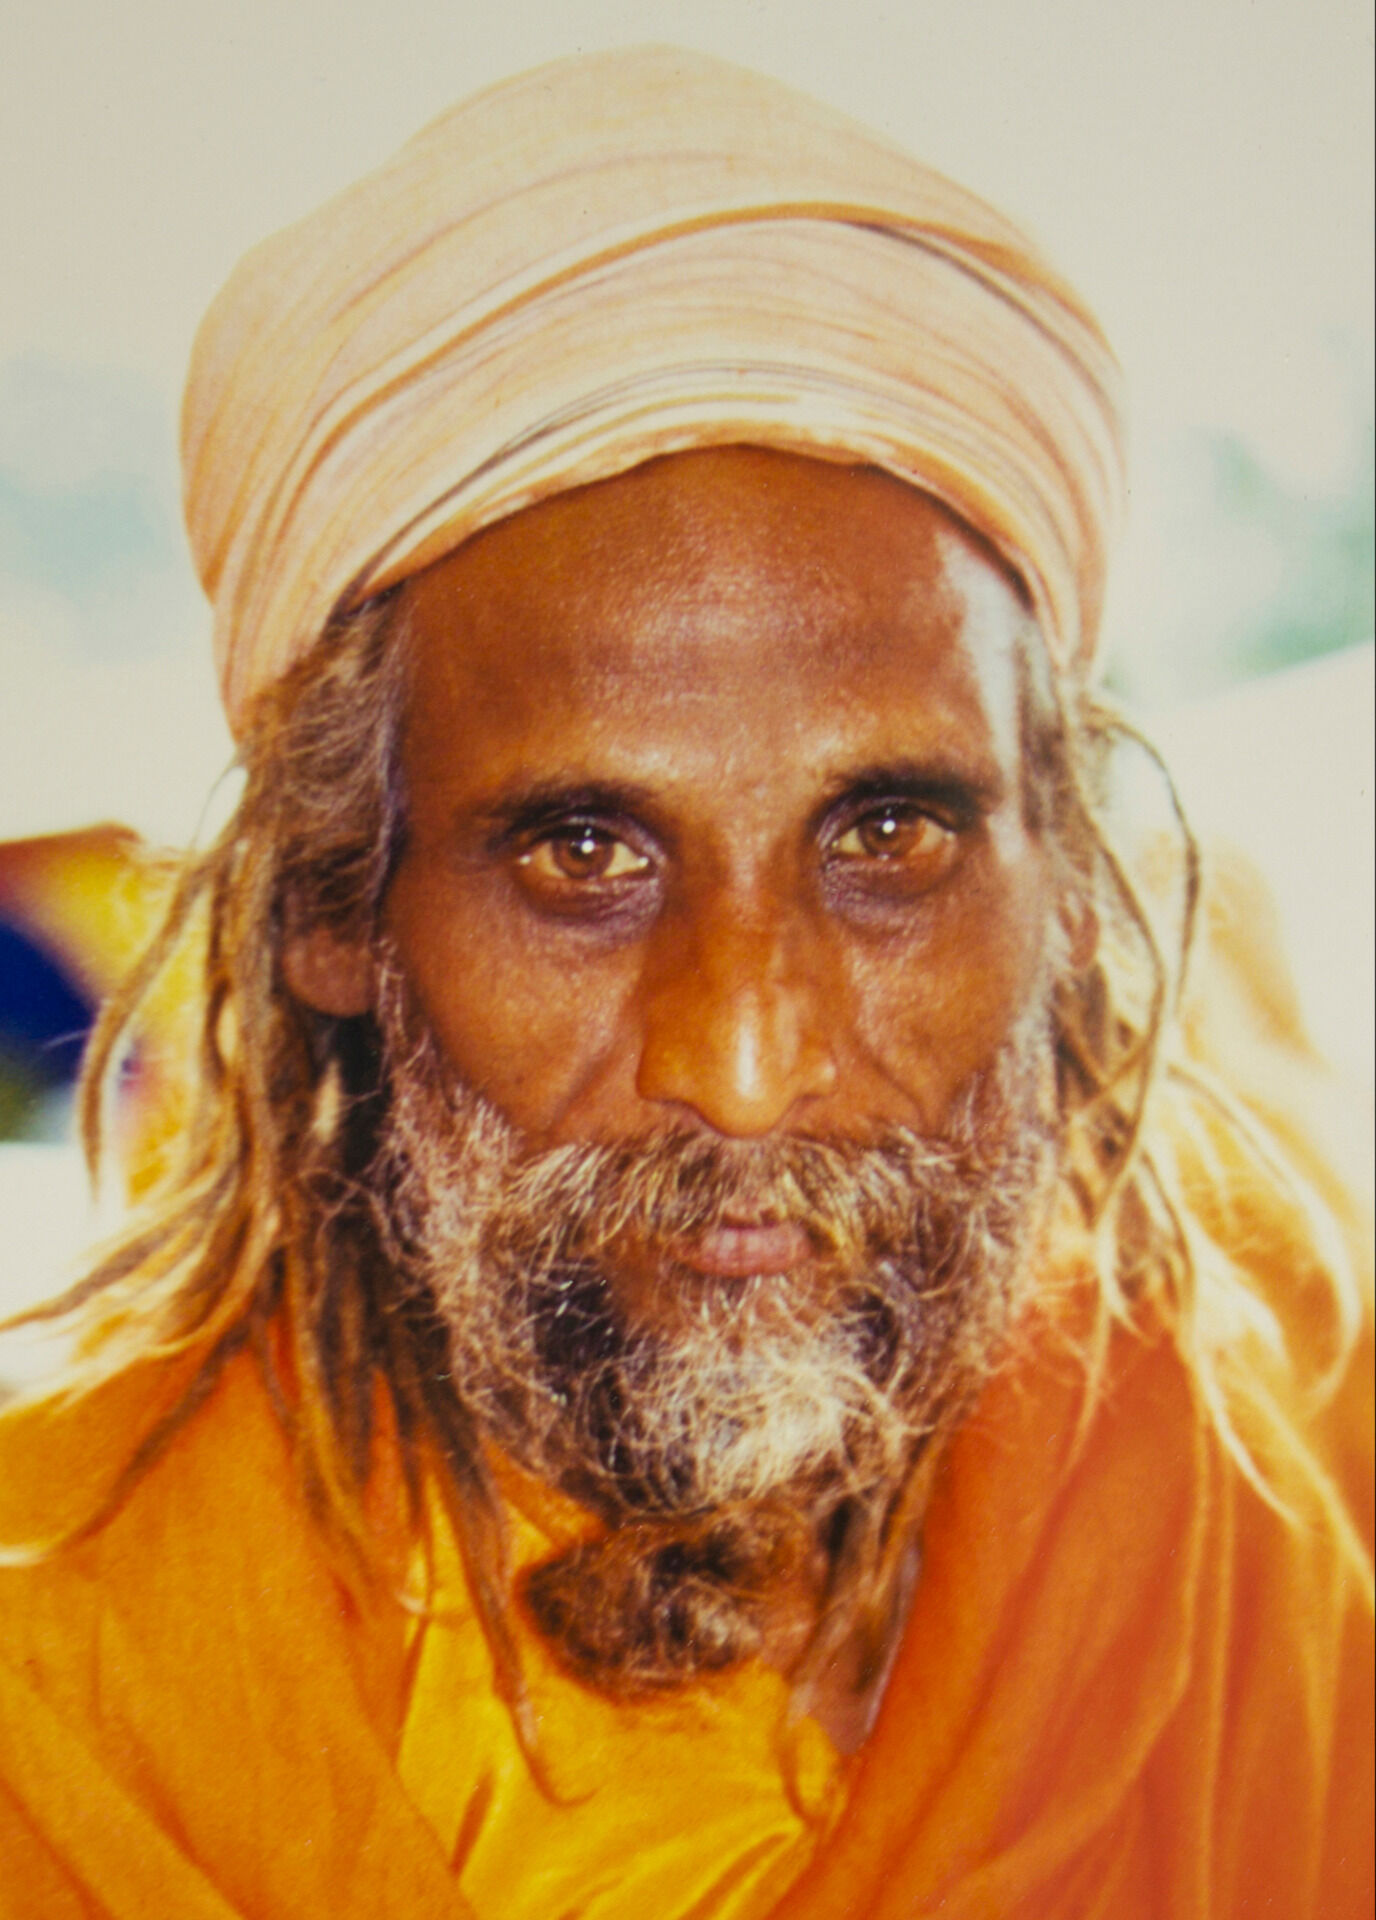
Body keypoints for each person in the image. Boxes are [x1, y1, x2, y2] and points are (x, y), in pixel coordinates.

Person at [0, 45, 1369, 1920]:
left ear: (1061, 884)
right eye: (583, 855)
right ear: (337, 905)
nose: (739, 1060)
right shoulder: (61, 1675)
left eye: (888, 835)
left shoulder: (1246, 1477)